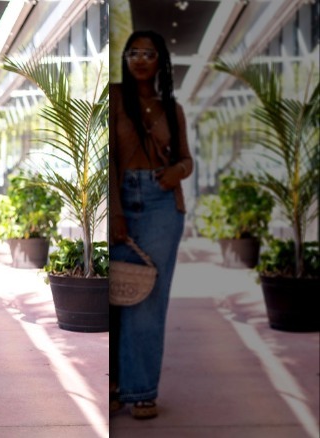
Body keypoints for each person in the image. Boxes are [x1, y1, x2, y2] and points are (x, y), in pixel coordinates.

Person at [109, 30, 194, 420]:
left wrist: (173, 173)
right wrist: (116, 213)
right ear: (126, 59)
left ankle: (141, 389)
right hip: (123, 198)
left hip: (162, 205)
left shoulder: (172, 109)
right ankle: (112, 385)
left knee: (148, 298)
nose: (140, 59)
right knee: (114, 297)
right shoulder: (114, 100)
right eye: (134, 52)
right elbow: (107, 160)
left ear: (160, 61)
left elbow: (187, 160)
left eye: (149, 53)